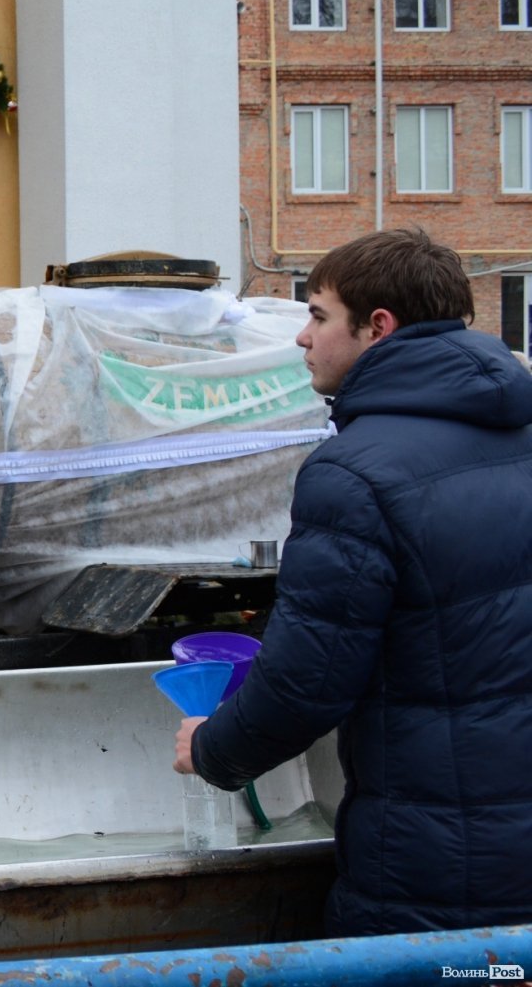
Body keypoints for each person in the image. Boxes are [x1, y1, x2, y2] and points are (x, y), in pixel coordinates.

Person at [173, 227, 532, 938]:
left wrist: (213, 748)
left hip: (442, 859)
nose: (302, 337)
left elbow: (309, 681)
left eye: (318, 316)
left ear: (379, 327)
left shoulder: (354, 474)